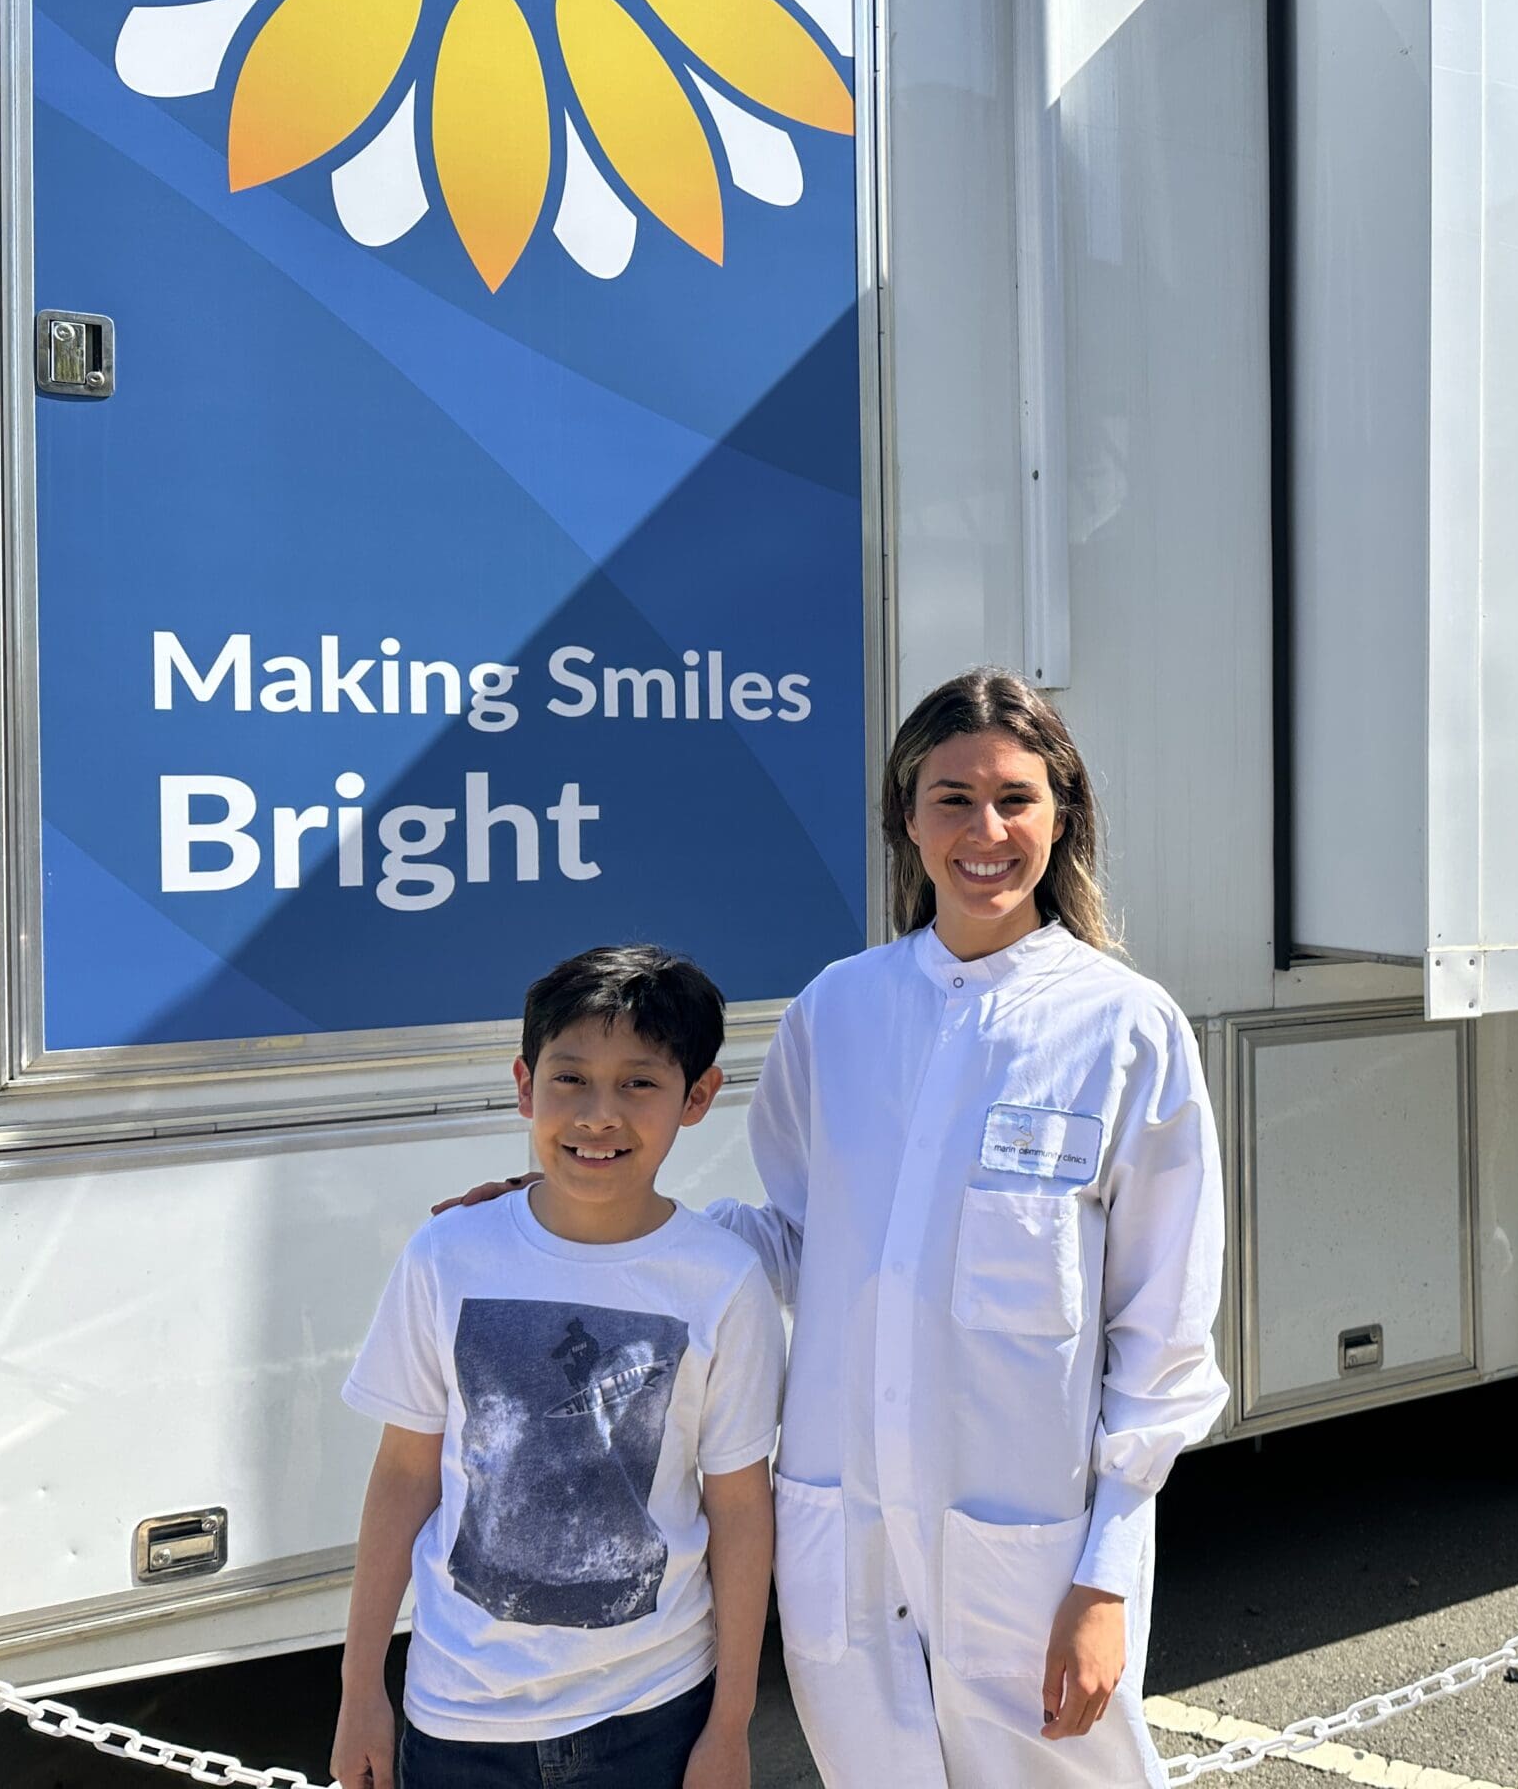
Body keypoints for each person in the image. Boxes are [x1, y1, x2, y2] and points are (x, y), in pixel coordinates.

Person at [735, 669, 1229, 1787]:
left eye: (1015, 799)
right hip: (845, 1535)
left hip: (1031, 1555)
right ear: (907, 820)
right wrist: (584, 1218)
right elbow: (796, 1236)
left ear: (1063, 815)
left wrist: (1105, 1578)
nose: (986, 831)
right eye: (952, 799)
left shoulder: (1123, 1027)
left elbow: (1162, 1336)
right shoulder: (838, 1010)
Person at [336, 947, 779, 1789]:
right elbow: (403, 1475)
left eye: (639, 1083)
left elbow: (739, 1509)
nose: (598, 1115)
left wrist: (731, 1725)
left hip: (654, 1714)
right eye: (570, 1079)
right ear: (524, 1084)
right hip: (460, 1717)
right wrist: (361, 1690)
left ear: (698, 1097)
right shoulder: (447, 1254)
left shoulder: (723, 1282)